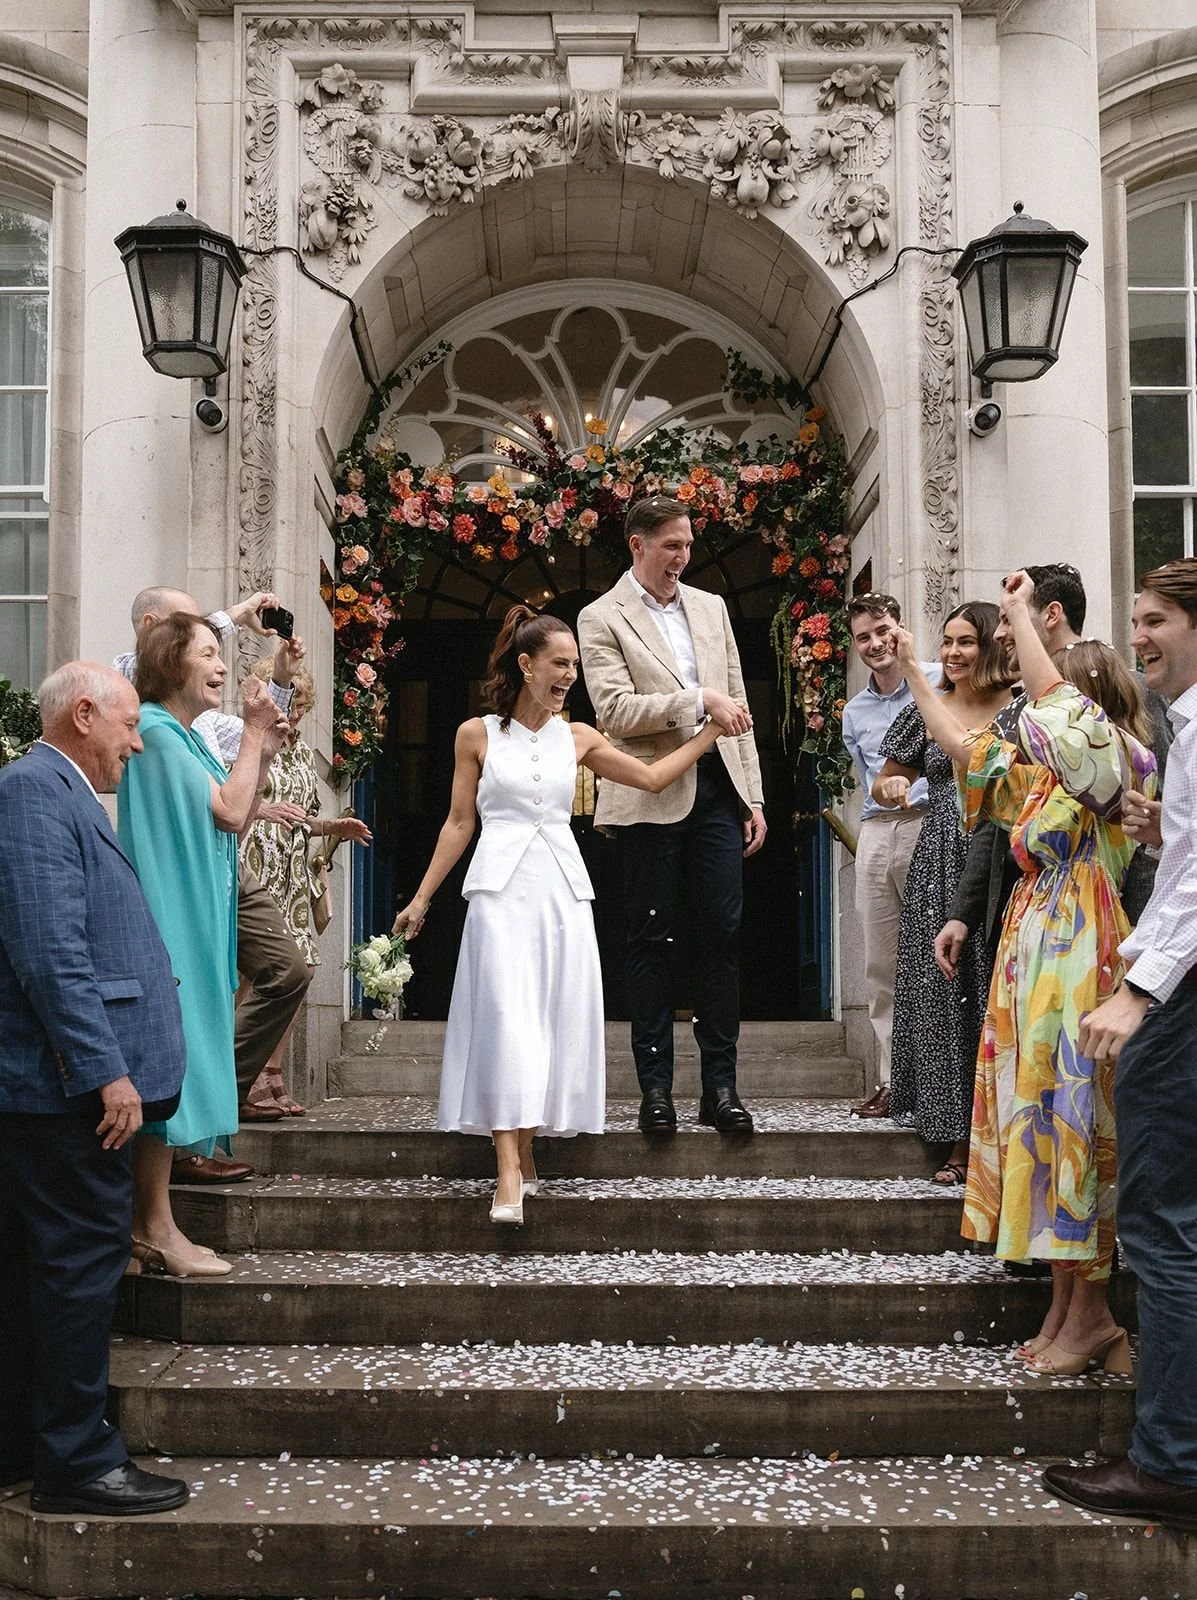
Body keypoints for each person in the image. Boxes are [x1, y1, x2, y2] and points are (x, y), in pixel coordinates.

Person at [895, 572, 1156, 1375]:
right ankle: (1063, 1306)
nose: (1028, 720)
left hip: (1081, 950)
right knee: (1036, 1127)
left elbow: (1055, 717)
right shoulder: (1042, 778)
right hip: (1031, 949)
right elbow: (967, 753)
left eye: (1047, 701)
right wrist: (912, 667)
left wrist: (1015, 616)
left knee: (1072, 1124)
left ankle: (1091, 1317)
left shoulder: (1119, 758)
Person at [393, 605, 725, 1223]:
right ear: (526, 665)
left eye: (574, 664)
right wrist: (421, 899)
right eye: (560, 663)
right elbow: (460, 821)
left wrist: (711, 734)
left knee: (548, 1021)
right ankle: (508, 1171)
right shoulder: (476, 734)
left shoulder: (580, 737)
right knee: (504, 1018)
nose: (571, 674)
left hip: (562, 896)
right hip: (497, 893)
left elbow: (652, 779)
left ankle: (527, 1149)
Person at [0, 663, 190, 1515]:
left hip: (61, 1089)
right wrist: (106, 1069)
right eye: (126, 725)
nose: (137, 742)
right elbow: (49, 950)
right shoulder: (37, 791)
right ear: (83, 713)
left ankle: (26, 1447)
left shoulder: (55, 790)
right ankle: (78, 1463)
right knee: (78, 1273)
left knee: (38, 1273)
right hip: (65, 1093)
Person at [1046, 558, 1197, 1529]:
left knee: (1160, 1226)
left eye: (1151, 621)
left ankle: (1171, 1463)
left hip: (1181, 996)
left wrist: (1138, 990)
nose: (1136, 637)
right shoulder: (1182, 734)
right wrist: (1156, 830)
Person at [577, 497, 765, 1136]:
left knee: (722, 937)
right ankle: (654, 1091)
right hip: (646, 798)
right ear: (637, 545)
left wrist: (753, 797)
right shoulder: (600, 615)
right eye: (670, 548)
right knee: (649, 944)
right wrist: (695, 700)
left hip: (716, 790)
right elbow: (615, 713)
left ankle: (722, 1089)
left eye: (688, 547)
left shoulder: (710, 608)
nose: (682, 559)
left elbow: (737, 704)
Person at [118, 586, 312, 1174]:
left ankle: (196, 1129)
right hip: (175, 903)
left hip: (210, 893)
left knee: (251, 993)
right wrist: (254, 732)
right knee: (179, 1033)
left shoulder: (190, 731)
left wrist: (266, 747)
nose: (222, 664)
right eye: (207, 652)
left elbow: (236, 808)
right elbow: (230, 811)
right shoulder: (152, 726)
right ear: (169, 658)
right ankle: (176, 1157)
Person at [872, 602, 1018, 1180]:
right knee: (944, 997)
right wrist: (889, 788)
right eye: (946, 642)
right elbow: (891, 776)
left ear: (991, 646)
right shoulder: (922, 709)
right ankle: (955, 1137)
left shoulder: (1022, 707)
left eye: (965, 643)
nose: (952, 654)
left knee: (994, 996)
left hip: (1005, 858)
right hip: (938, 860)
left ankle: (1002, 1134)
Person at [240, 659, 372, 1113]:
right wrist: (263, 811)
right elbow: (225, 797)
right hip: (255, 862)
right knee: (255, 973)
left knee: (303, 972)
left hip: (293, 871)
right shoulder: (245, 737)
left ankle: (272, 1069)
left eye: (300, 705)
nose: (293, 713)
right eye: (288, 702)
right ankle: (246, 1075)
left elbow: (302, 817)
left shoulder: (297, 747)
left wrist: (333, 825)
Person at [840, 592, 940, 1118]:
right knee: (881, 963)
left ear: (899, 627)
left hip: (931, 825)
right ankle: (892, 1080)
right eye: (864, 637)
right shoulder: (854, 712)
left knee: (935, 958)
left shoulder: (940, 678)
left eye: (883, 630)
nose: (876, 644)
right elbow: (866, 780)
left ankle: (940, 1083)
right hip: (879, 831)